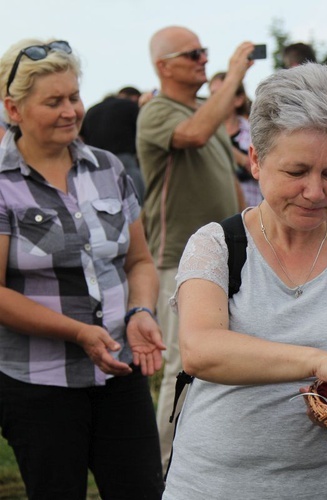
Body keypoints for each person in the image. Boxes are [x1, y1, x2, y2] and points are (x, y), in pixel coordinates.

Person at [163, 63, 327, 499]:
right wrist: (320, 361)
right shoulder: (217, 246)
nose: (315, 192)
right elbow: (201, 350)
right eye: (296, 172)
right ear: (256, 161)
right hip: (215, 487)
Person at [0, 38, 165, 498]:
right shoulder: (2, 186)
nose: (71, 110)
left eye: (74, 97)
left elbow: (140, 261)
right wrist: (78, 333)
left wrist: (140, 313)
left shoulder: (108, 168)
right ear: (14, 110)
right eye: (53, 101)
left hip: (121, 375)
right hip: (40, 386)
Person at [137, 25, 254, 473]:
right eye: (193, 54)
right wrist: (234, 77)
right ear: (164, 67)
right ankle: (164, 468)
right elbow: (196, 135)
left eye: (205, 51)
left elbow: (230, 180)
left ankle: (210, 454)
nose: (203, 59)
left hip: (227, 256)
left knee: (226, 356)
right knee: (182, 364)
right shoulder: (157, 112)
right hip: (177, 258)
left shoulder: (205, 108)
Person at [80, 85, 146, 202]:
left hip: (96, 165)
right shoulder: (130, 106)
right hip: (125, 161)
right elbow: (144, 132)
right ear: (136, 98)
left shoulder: (92, 110)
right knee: (135, 204)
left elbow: (81, 138)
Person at [209, 71, 262, 207]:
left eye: (222, 93)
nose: (215, 99)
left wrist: (236, 156)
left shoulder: (256, 132)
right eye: (212, 94)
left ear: (238, 99)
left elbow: (267, 175)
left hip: (251, 215)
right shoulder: (203, 136)